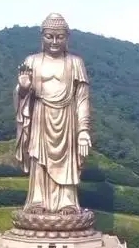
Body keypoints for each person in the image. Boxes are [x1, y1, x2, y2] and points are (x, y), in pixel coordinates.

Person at [14, 13, 92, 215]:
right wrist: (23, 89)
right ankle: (37, 201)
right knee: (39, 160)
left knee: (67, 161)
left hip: (67, 118)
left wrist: (83, 130)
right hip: (40, 115)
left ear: (67, 37)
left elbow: (82, 99)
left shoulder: (75, 63)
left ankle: (67, 202)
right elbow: (22, 95)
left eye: (60, 37)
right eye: (50, 36)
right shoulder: (32, 61)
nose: (55, 42)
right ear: (42, 37)